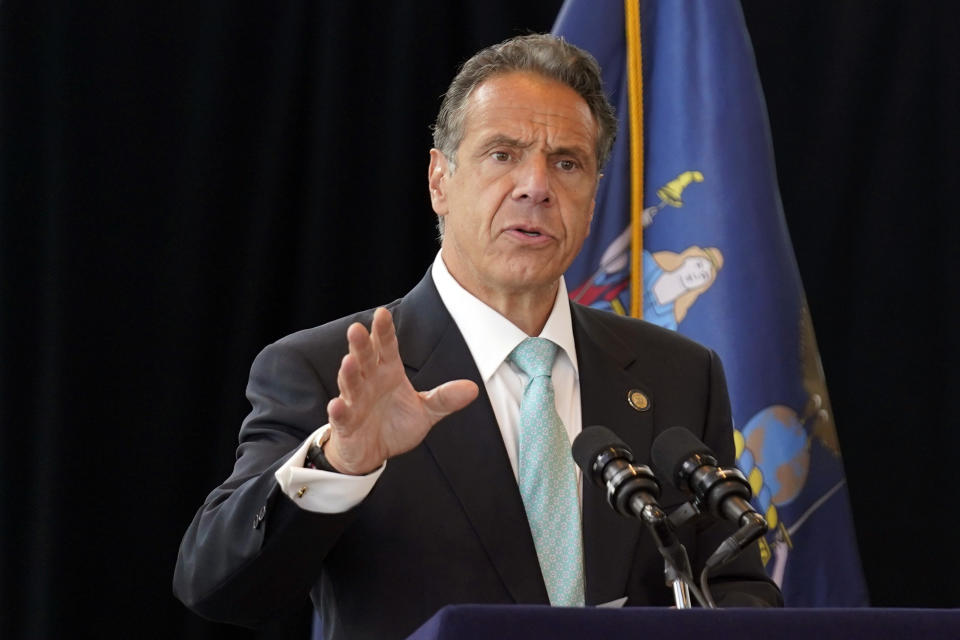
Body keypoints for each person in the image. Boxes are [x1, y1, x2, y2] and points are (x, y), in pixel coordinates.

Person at [173, 34, 782, 640]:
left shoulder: (677, 373)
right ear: (440, 179)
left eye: (567, 162)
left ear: (593, 197)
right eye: (502, 154)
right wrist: (341, 463)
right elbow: (219, 589)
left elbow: (732, 584)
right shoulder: (326, 370)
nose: (535, 186)